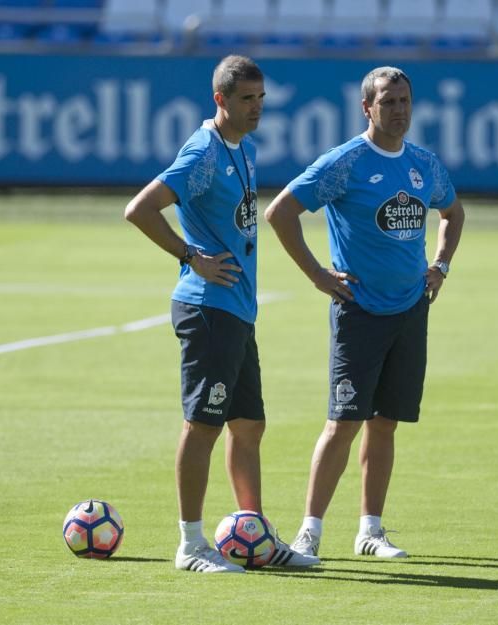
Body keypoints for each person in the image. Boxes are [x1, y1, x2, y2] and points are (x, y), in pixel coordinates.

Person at [124, 54, 318, 573]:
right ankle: (190, 544)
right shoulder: (203, 152)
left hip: (237, 310)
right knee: (203, 425)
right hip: (207, 309)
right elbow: (140, 209)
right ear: (220, 100)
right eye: (245, 100)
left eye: (260, 99)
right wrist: (190, 256)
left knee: (249, 424)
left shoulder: (243, 148)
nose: (256, 109)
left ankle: (253, 536)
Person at [264, 66, 465, 560]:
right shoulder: (345, 163)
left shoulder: (423, 163)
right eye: (389, 102)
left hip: (410, 309)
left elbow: (453, 212)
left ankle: (370, 531)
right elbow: (280, 212)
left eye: (405, 101)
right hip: (359, 312)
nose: (399, 111)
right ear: (367, 108)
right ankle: (309, 531)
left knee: (386, 422)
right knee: (343, 422)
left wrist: (440, 265)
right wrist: (318, 275)